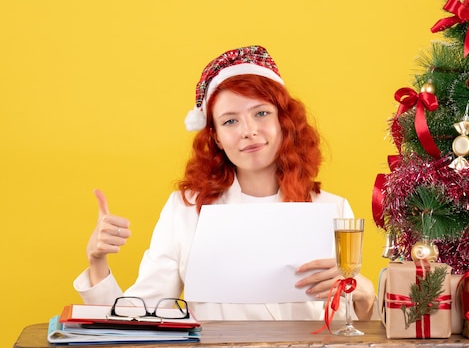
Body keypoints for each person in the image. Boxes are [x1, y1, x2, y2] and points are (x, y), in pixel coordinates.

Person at [74, 45, 376, 321]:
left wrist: (364, 292)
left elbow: (355, 327)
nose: (249, 131)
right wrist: (97, 261)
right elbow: (136, 318)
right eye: (230, 120)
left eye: (261, 113)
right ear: (215, 136)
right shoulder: (186, 209)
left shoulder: (332, 209)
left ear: (284, 121)